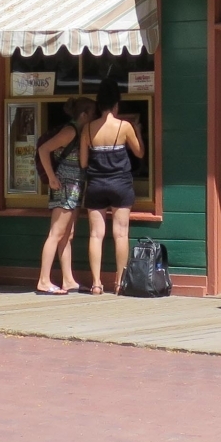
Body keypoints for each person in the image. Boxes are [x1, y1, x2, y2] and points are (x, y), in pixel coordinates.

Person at [79, 77, 145, 295]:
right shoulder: (124, 127)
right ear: (117, 104)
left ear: (99, 104)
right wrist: (138, 131)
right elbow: (139, 153)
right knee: (121, 234)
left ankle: (96, 283)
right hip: (120, 184)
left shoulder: (88, 129)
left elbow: (83, 162)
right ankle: (119, 282)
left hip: (96, 184)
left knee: (95, 235)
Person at [34, 97, 93, 294]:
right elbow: (44, 149)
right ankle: (43, 280)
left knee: (68, 234)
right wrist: (51, 177)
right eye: (92, 114)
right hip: (64, 185)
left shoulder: (80, 132)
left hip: (75, 186)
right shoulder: (70, 131)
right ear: (84, 115)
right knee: (56, 233)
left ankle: (68, 280)